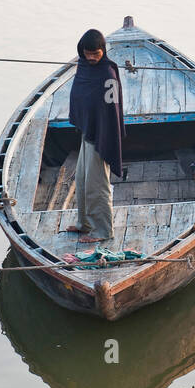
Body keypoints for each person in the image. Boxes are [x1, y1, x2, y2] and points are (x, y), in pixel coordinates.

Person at [65, 29, 126, 243]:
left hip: (102, 135)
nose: (91, 58)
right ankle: (85, 224)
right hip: (87, 132)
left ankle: (102, 231)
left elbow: (112, 109)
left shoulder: (108, 74)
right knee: (82, 180)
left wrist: (105, 135)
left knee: (96, 185)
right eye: (87, 53)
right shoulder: (83, 66)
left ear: (103, 51)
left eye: (95, 54)